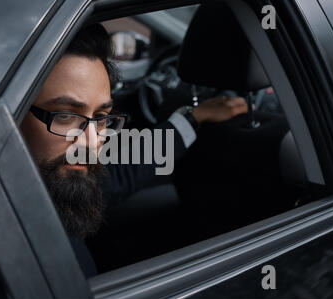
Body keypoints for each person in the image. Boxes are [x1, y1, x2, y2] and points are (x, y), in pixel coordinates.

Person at [20, 23, 248, 276]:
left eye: (102, 117)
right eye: (65, 116)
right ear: (13, 116)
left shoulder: (55, 184)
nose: (91, 141)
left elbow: (119, 175)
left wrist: (194, 117)